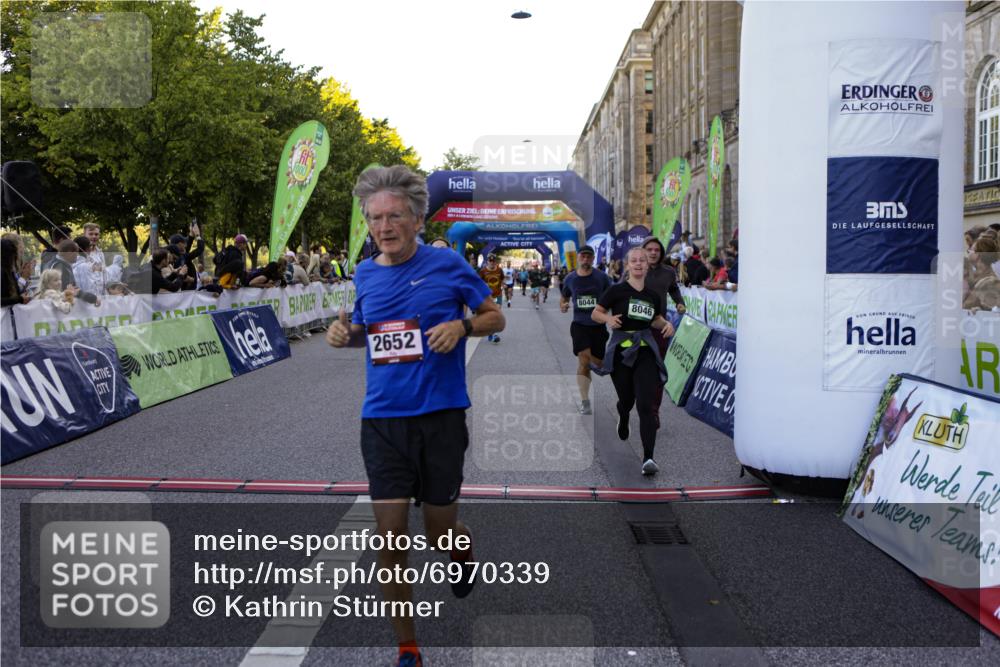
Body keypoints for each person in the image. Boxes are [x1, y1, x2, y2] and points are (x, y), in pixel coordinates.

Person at [325, 165, 504, 667]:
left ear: (417, 218)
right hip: (382, 419)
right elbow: (366, 330)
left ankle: (462, 559)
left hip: (441, 417)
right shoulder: (364, 272)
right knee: (390, 536)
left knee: (441, 531)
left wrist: (463, 326)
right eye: (375, 218)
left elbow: (496, 316)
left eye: (394, 216)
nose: (384, 226)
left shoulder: (447, 266)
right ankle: (408, 648)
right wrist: (346, 336)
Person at [591, 246, 674, 476]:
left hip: (645, 351)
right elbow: (595, 313)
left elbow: (656, 319)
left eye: (642, 260)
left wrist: (666, 324)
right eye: (634, 260)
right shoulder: (616, 291)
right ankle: (623, 413)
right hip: (621, 352)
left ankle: (648, 458)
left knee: (646, 405)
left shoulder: (652, 295)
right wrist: (608, 318)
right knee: (627, 399)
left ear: (647, 265)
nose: (638, 264)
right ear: (627, 265)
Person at [560, 245, 612, 415]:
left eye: (589, 256)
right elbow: (564, 296)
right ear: (578, 257)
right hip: (579, 325)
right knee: (584, 360)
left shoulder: (602, 278)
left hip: (598, 327)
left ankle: (593, 367)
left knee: (596, 363)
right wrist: (564, 305)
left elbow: (613, 296)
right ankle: (585, 401)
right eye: (583, 256)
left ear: (593, 258)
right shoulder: (570, 278)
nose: (586, 259)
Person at [478, 254, 504, 342]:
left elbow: (502, 279)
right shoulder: (483, 271)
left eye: (493, 261)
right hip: (487, 296)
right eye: (490, 261)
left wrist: (503, 285)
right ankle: (491, 333)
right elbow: (478, 282)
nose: (492, 263)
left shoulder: (499, 270)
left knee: (497, 313)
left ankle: (494, 335)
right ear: (487, 262)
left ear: (495, 262)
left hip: (498, 294)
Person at [1, 239, 29, 306]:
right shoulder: (3, 271)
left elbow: (16, 292)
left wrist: (21, 297)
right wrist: (20, 299)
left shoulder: (10, 271)